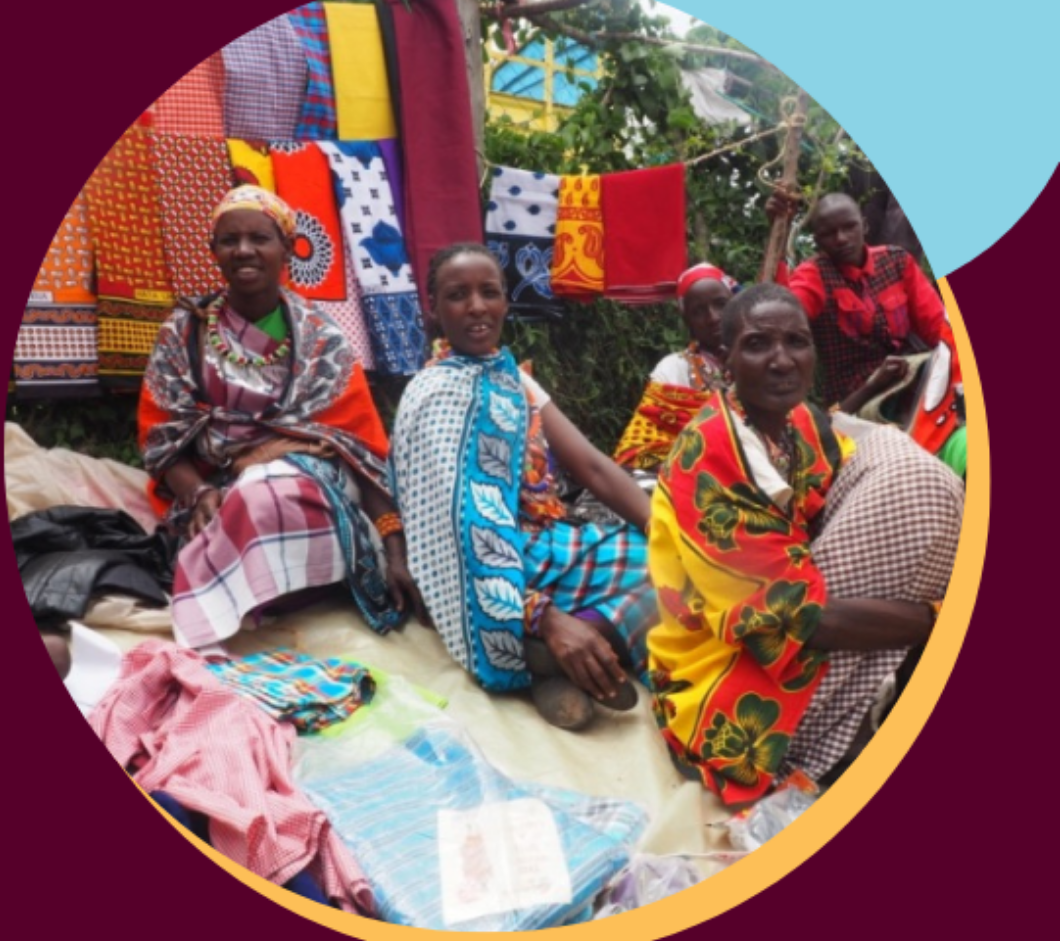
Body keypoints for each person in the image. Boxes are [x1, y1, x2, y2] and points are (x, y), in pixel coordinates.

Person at [646, 284, 962, 804]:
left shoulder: (797, 423)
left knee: (914, 482)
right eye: (757, 345)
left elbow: (831, 484)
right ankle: (812, 743)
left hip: (790, 605)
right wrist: (944, 618)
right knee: (920, 506)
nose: (781, 361)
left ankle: (866, 706)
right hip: (720, 682)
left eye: (797, 342)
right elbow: (797, 623)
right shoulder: (709, 457)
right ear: (727, 360)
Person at [390, 243, 657, 730]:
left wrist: (667, 530)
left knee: (664, 561)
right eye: (457, 295)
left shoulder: (511, 378)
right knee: (651, 586)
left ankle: (561, 662)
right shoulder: (433, 394)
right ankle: (549, 642)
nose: (476, 307)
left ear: (505, 302)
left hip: (540, 543)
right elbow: (460, 528)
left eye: (489, 292)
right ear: (433, 309)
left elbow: (592, 467)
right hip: (482, 572)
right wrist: (541, 614)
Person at [139, 185, 415, 651]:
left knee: (260, 497)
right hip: (216, 481)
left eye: (259, 238)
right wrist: (198, 491)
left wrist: (394, 550)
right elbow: (161, 440)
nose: (243, 251)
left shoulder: (322, 338)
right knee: (239, 502)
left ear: (287, 248)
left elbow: (361, 448)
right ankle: (263, 593)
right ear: (214, 251)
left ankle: (241, 603)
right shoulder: (183, 331)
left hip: (309, 482)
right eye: (229, 240)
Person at [782, 192, 949, 406]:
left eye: (849, 227)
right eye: (829, 233)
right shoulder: (813, 276)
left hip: (912, 375)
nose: (841, 238)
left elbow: (938, 327)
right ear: (817, 241)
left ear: (864, 226)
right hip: (855, 397)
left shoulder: (897, 262)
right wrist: (778, 244)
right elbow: (786, 316)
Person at [614, 263, 739, 471]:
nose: (713, 317)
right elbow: (638, 453)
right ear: (687, 320)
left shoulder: (762, 362)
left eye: (721, 304)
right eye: (698, 311)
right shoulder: (672, 369)